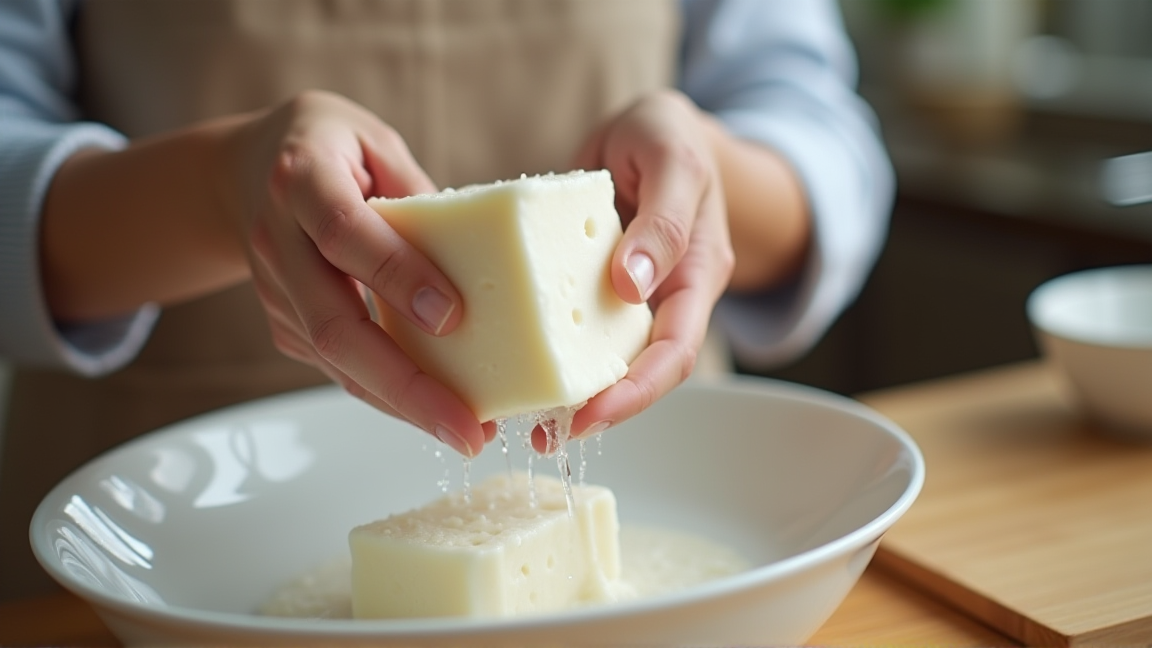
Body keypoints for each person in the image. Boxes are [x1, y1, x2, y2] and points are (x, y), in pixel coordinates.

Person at [0, 0, 893, 599]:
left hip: (670, 480)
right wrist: (213, 192)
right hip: (170, 539)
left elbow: (818, 128)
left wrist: (710, 167)